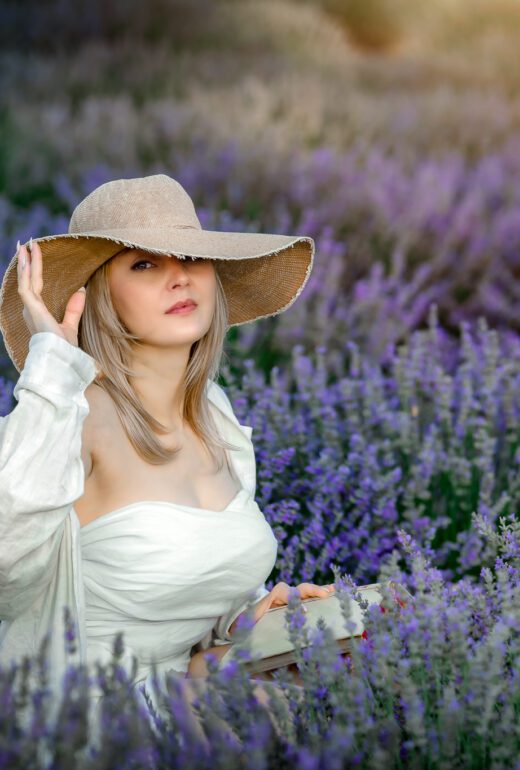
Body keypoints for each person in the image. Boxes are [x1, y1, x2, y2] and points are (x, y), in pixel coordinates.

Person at [0, 174, 332, 752]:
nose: (179, 274)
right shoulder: (71, 420)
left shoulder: (215, 415)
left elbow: (190, 602)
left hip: (187, 697)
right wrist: (50, 374)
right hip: (84, 723)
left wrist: (254, 618)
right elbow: (6, 565)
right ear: (97, 295)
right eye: (143, 265)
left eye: (192, 257)